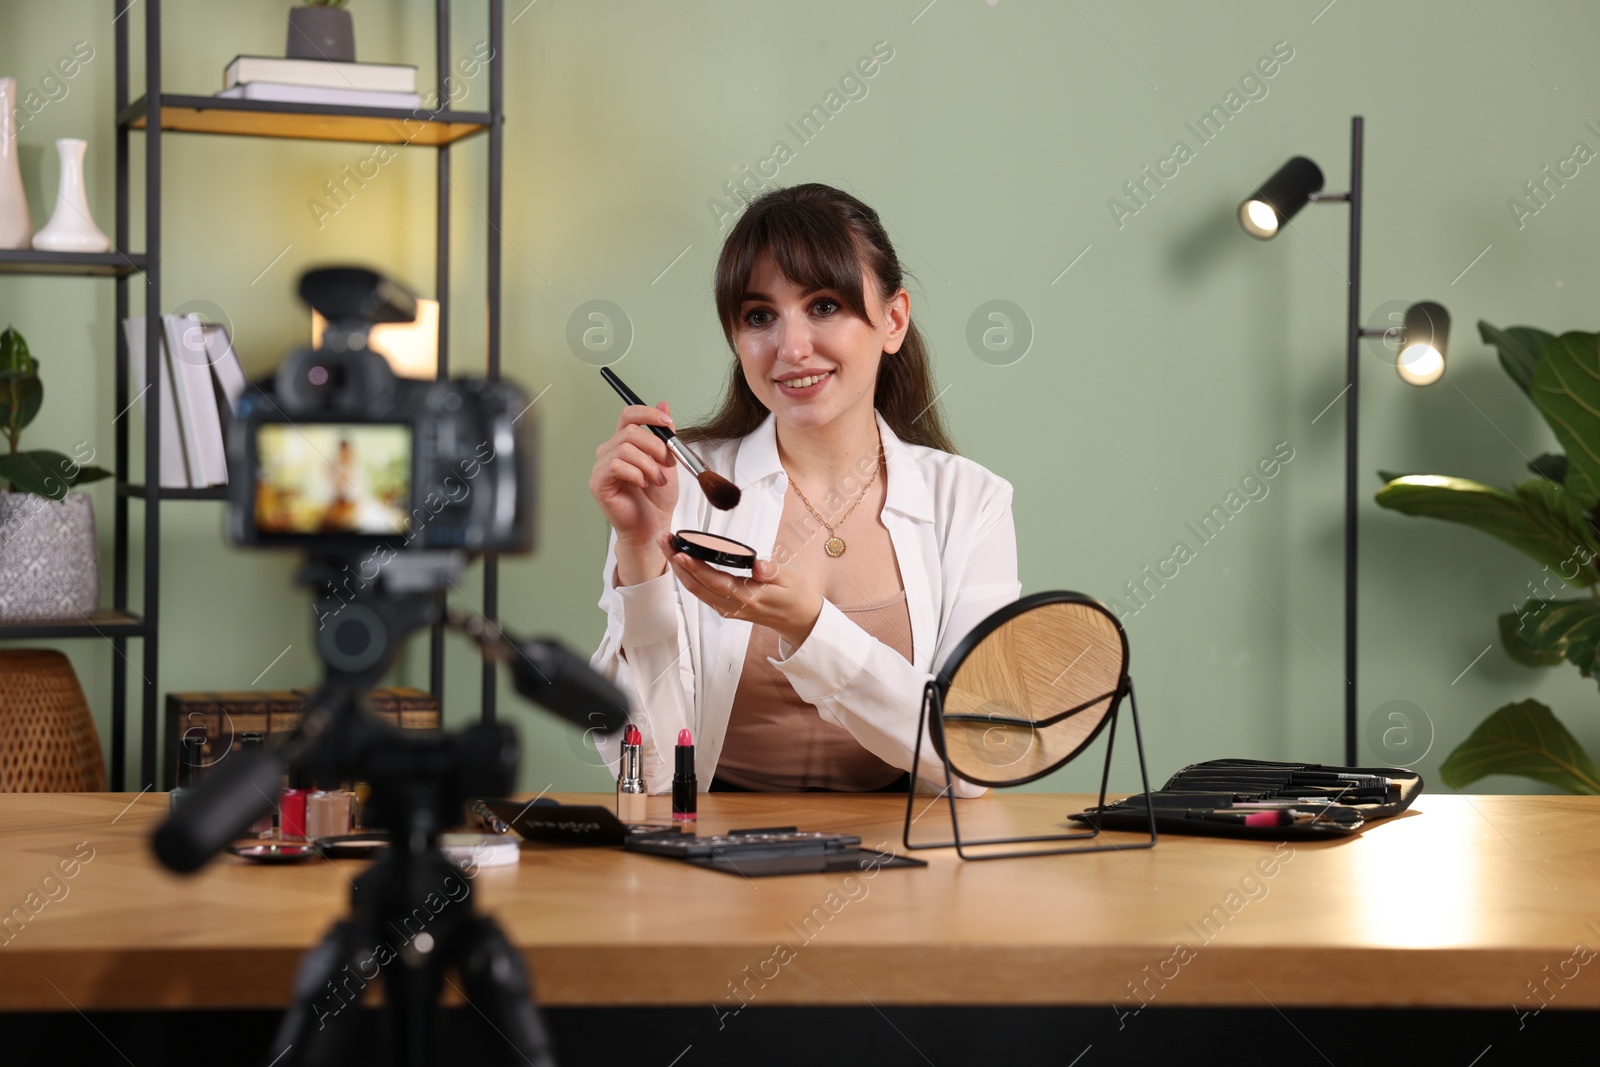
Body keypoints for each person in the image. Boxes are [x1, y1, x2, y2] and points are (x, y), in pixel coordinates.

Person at [588, 183, 1018, 797]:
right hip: (712, 859)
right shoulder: (676, 487)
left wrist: (812, 629)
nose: (791, 349)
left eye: (823, 306)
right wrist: (638, 554)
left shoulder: (971, 503)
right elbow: (653, 777)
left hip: (899, 864)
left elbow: (975, 759)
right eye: (759, 317)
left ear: (892, 320)